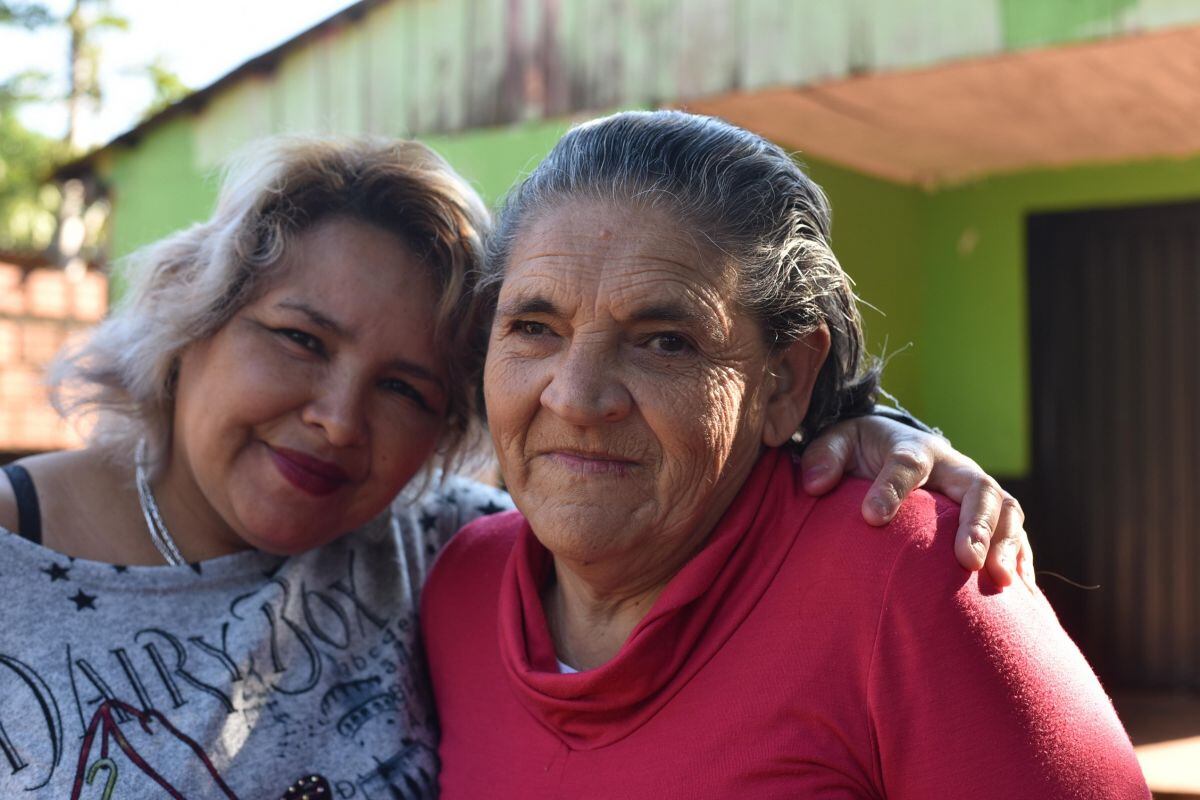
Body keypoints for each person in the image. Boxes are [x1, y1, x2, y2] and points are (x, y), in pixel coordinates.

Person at [0, 134, 1025, 798]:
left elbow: (622, 459)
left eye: (406, 387)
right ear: (192, 316)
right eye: (301, 339)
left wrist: (862, 421)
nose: (339, 418)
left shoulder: (433, 546)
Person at [421, 111, 1149, 798]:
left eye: (665, 341)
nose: (576, 398)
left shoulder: (915, 579)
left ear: (785, 382)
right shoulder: (459, 586)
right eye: (534, 326)